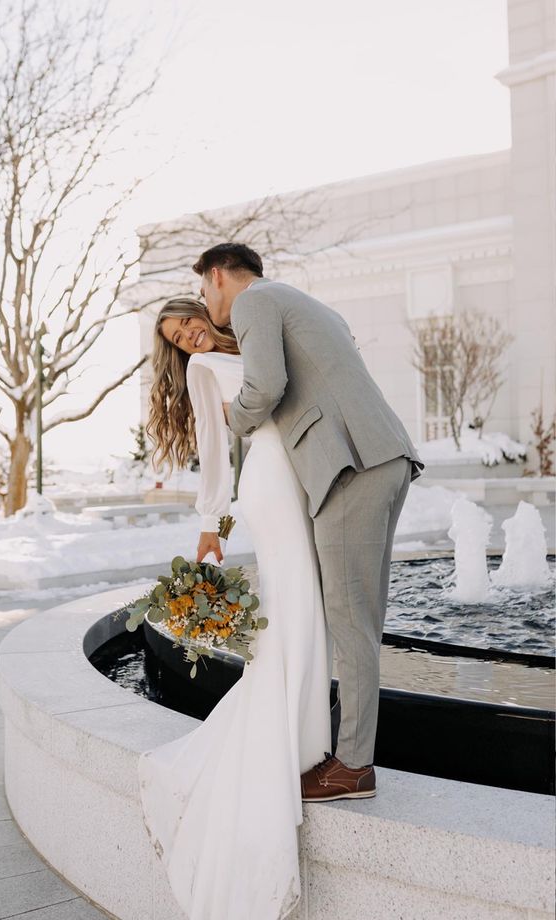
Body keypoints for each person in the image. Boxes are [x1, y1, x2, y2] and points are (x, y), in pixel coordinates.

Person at [194, 242, 424, 799]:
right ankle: (348, 753)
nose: (204, 303)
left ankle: (354, 766)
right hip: (380, 456)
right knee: (356, 615)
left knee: (352, 621)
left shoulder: (253, 303)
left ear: (219, 274)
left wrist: (235, 416)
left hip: (350, 467)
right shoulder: (312, 305)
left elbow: (266, 386)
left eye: (203, 289)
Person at [139, 295, 333, 920]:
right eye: (175, 337)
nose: (188, 337)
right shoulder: (204, 372)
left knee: (310, 606)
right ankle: (294, 744)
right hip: (269, 484)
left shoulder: (251, 342)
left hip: (303, 471)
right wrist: (212, 530)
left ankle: (305, 736)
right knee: (296, 600)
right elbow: (218, 453)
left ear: (205, 309)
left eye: (188, 322)